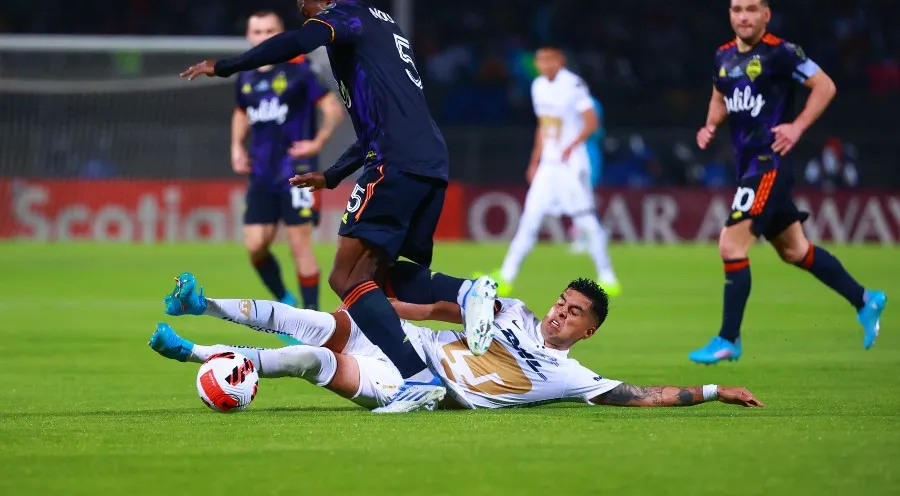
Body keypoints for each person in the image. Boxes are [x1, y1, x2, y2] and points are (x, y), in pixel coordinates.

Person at [181, 0, 493, 413]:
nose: (304, 18)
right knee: (382, 279)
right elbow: (380, 123)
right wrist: (332, 175)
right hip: (429, 161)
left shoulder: (345, 15)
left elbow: (295, 44)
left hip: (395, 162)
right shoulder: (385, 26)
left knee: (344, 278)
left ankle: (420, 375)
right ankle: (463, 296)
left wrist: (226, 66)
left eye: (303, 8)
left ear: (323, 0)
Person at [149, 268, 763, 410]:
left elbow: (645, 394)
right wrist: (395, 307)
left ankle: (200, 355)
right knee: (315, 320)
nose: (559, 314)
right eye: (561, 302)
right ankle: (201, 305)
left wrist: (717, 389)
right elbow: (449, 303)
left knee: (313, 357)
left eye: (574, 313)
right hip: (409, 341)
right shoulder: (517, 311)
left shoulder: (574, 377)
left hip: (422, 384)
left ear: (589, 329)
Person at [689, 0, 886, 365]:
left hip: (769, 164)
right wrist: (710, 125)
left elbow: (825, 86)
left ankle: (728, 338)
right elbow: (719, 95)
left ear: (766, 15)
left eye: (750, 9)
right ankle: (865, 299)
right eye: (736, 10)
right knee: (796, 251)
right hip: (747, 165)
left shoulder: (781, 52)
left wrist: (796, 128)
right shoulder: (723, 56)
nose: (743, 16)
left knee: (731, 245)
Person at [232, 10, 344, 311]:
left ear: (281, 35)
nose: (263, 37)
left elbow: (333, 109)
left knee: (300, 246)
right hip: (262, 173)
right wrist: (236, 146)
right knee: (255, 246)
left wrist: (317, 142)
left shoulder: (301, 69)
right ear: (249, 36)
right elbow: (241, 112)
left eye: (270, 31)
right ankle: (284, 298)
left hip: (297, 172)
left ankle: (311, 323)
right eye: (257, 32)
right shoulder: (246, 74)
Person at [488, 47, 620, 297]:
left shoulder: (574, 85)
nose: (544, 65)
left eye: (549, 60)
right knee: (529, 220)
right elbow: (543, 125)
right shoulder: (538, 86)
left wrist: (571, 146)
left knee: (585, 220)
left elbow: (591, 122)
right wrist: (534, 160)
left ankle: (608, 276)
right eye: (540, 61)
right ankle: (506, 277)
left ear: (560, 61)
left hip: (571, 165)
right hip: (548, 166)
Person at [569, 95, 605, 254]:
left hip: (587, 154)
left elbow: (595, 129)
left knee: (584, 197)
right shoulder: (565, 100)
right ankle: (585, 235)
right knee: (575, 197)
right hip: (572, 155)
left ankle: (587, 236)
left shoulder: (590, 103)